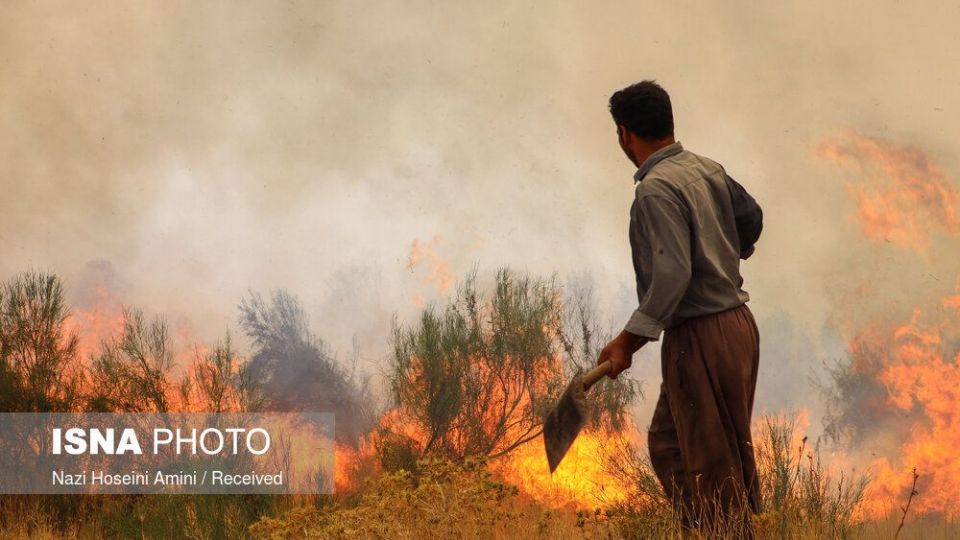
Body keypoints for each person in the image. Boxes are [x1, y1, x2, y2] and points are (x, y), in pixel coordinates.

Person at [598, 80, 764, 535]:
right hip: (737, 327)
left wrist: (626, 342)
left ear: (625, 134)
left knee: (710, 464)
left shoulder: (654, 190)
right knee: (672, 446)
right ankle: (707, 531)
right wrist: (725, 252)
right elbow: (752, 218)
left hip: (701, 335)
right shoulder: (707, 168)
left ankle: (723, 533)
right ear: (668, 122)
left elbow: (672, 277)